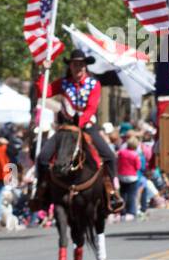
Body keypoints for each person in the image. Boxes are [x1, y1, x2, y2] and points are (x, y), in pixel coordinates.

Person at [31, 50, 123, 211]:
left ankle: (112, 191)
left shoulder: (94, 84)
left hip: (86, 127)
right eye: (75, 64)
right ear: (70, 66)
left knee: (109, 156)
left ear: (85, 67)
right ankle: (41, 192)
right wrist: (43, 72)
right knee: (43, 157)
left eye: (81, 64)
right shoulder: (63, 83)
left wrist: (78, 123)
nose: (78, 68)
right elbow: (42, 93)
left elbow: (91, 108)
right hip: (65, 130)